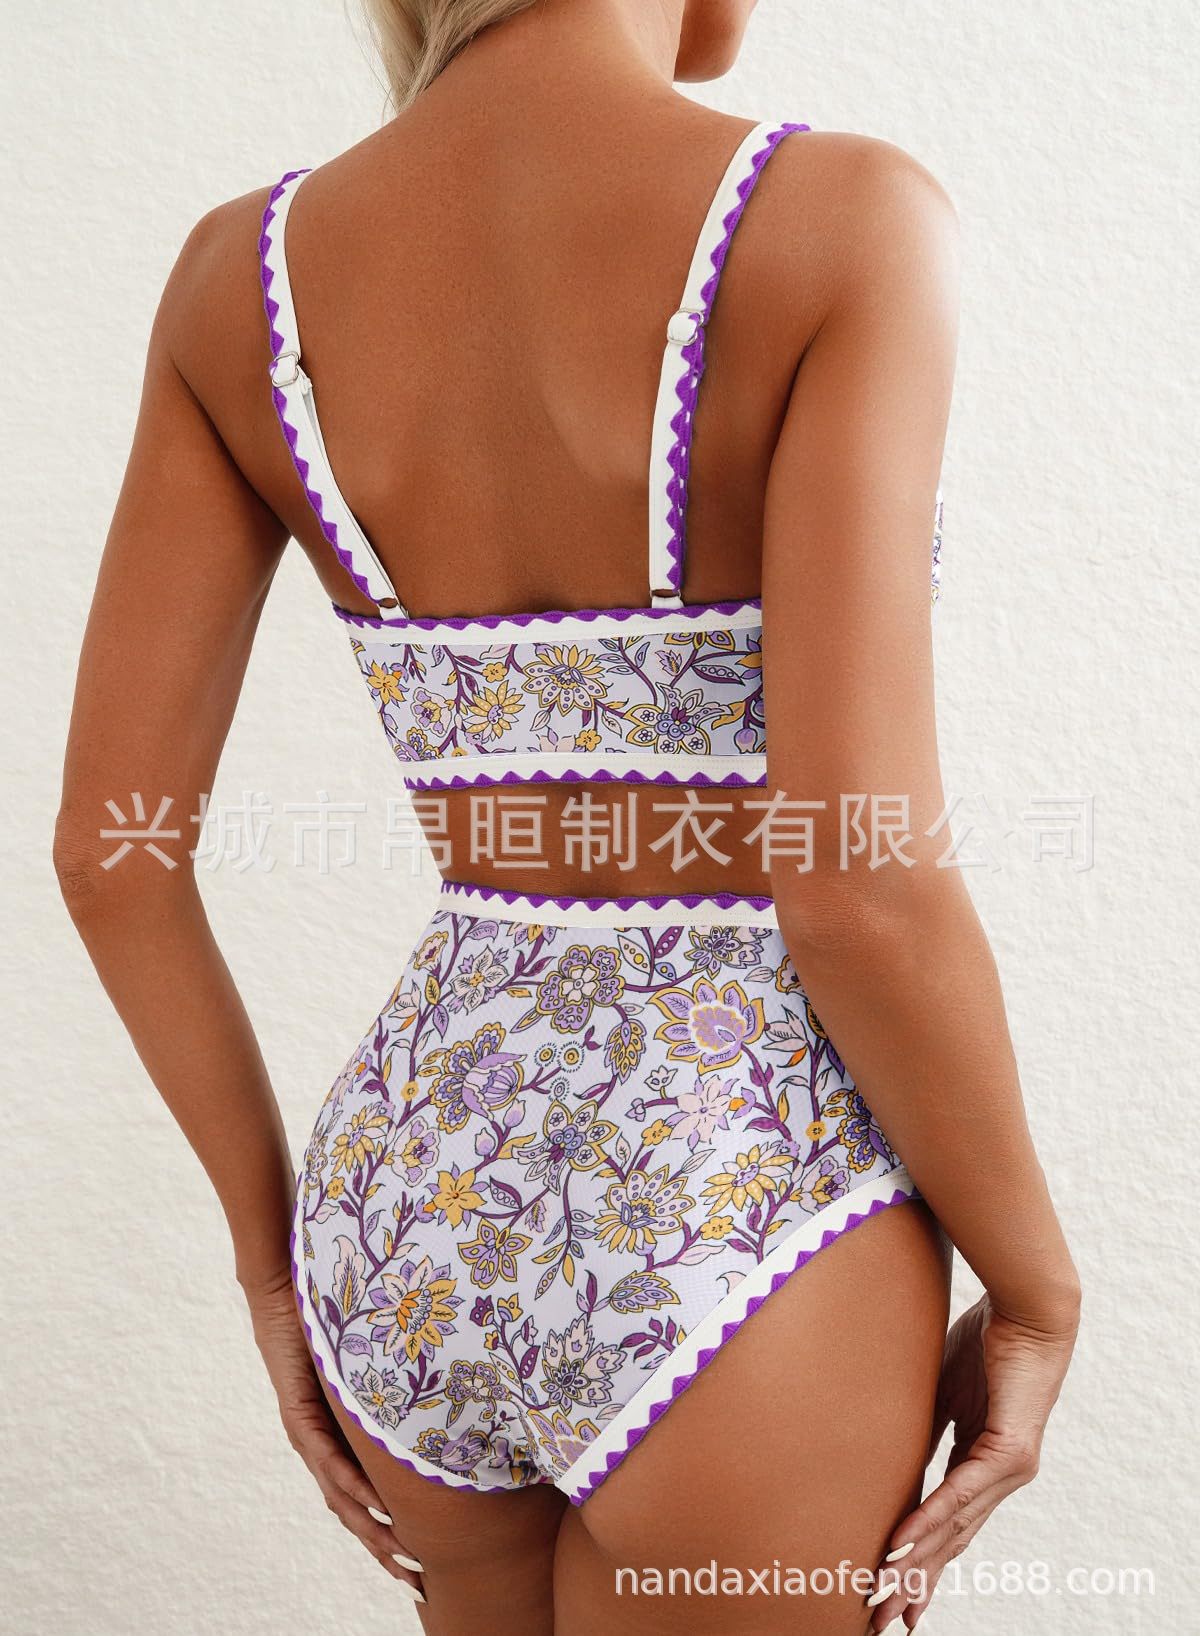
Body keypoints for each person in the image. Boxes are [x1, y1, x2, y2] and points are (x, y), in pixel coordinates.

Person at [55, 2, 1080, 1631]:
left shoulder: (234, 283)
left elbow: (109, 864)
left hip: (408, 1192)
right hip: (738, 1182)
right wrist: (1034, 1288)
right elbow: (850, 880)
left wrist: (273, 1261)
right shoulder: (839, 218)